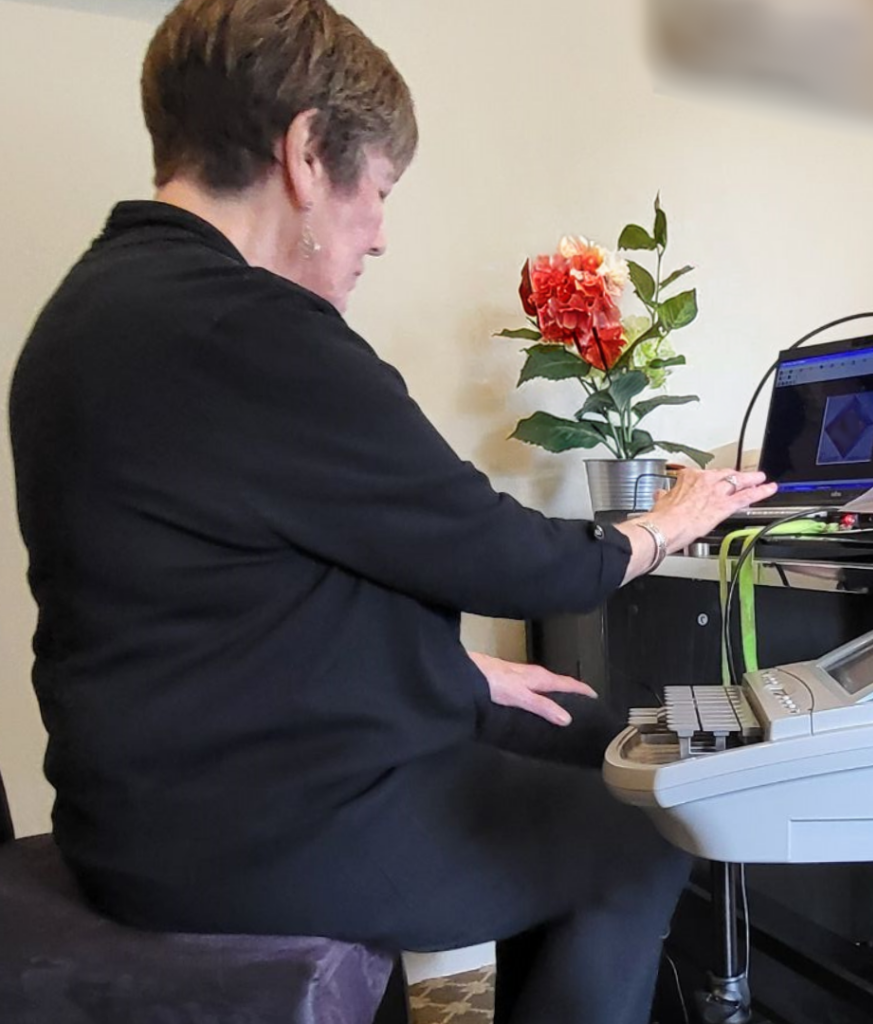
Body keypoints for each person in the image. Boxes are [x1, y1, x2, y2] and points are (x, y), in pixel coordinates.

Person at [8, 2, 776, 1022]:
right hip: (235, 827)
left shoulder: (91, 312)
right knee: (638, 831)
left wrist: (444, 669)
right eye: (376, 189)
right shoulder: (249, 331)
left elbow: (224, 602)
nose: (377, 233)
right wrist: (667, 523)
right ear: (306, 153)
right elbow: (505, 557)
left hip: (159, 792)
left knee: (582, 723)